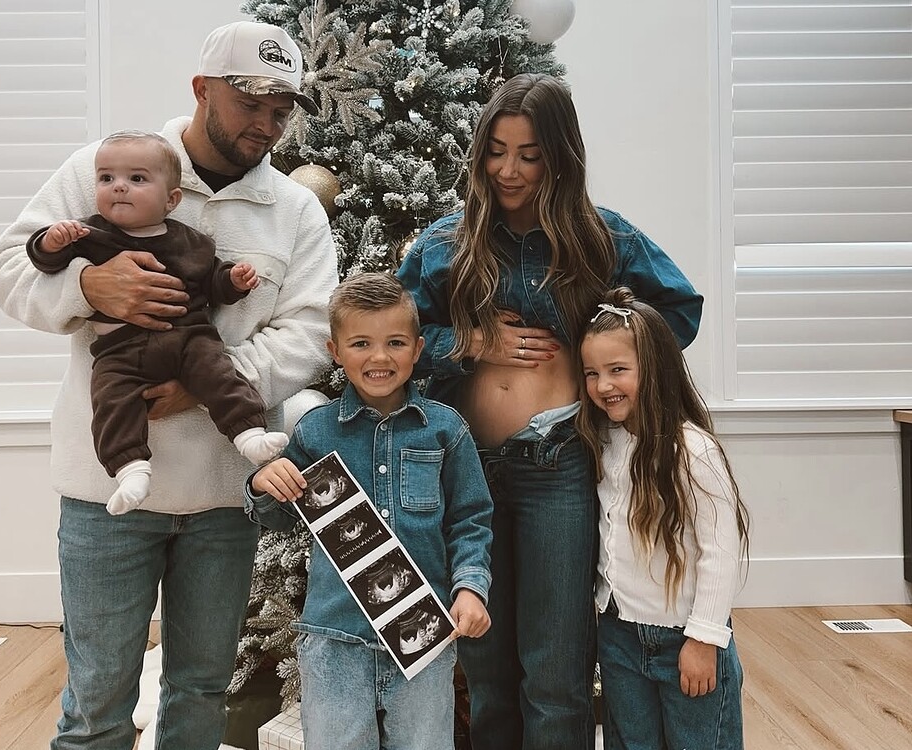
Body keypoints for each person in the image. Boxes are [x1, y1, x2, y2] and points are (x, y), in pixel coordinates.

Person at [0, 20, 337, 750]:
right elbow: (10, 270)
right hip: (104, 491)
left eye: (281, 110)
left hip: (222, 497)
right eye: (250, 103)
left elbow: (309, 332)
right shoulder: (106, 166)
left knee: (201, 693)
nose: (266, 124)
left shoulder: (296, 210)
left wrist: (206, 383)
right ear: (202, 89)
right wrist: (88, 285)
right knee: (96, 704)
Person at [396, 73, 703, 750]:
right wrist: (468, 342)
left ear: (559, 157)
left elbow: (678, 312)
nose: (508, 170)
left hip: (558, 469)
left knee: (557, 674)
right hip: (467, 474)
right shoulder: (446, 243)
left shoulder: (603, 239)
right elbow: (393, 343)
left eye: (529, 155)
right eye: (496, 152)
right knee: (486, 670)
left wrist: (600, 346)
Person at [246, 273, 493, 750]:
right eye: (361, 343)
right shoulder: (314, 433)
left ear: (418, 349)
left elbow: (470, 520)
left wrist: (470, 588)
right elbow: (279, 518)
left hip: (424, 636)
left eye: (395, 342)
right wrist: (263, 484)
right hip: (334, 638)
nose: (379, 357)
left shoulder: (446, 430)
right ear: (335, 351)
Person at [27, 130, 290, 514]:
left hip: (188, 339)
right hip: (119, 350)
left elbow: (211, 282)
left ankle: (249, 434)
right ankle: (130, 470)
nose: (118, 187)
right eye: (106, 178)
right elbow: (42, 262)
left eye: (136, 179)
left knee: (219, 374)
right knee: (112, 399)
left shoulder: (192, 242)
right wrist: (51, 243)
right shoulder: (88, 234)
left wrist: (232, 281)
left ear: (171, 200)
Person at [577, 287, 749, 750]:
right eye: (592, 373)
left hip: (685, 638)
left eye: (617, 370)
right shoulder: (603, 442)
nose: (603, 385)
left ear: (653, 368)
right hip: (619, 637)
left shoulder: (692, 451)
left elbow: (720, 552)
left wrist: (704, 639)